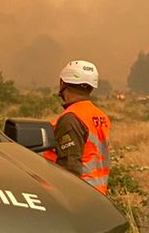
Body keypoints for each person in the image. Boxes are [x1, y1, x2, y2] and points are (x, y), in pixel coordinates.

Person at [45, 60, 111, 194]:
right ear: (91, 87)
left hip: (79, 194)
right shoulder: (101, 116)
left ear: (63, 83)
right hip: (98, 193)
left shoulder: (71, 118)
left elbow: (69, 167)